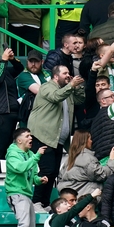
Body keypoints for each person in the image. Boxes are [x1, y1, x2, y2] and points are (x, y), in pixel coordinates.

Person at [28, 66, 86, 207]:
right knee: (46, 170)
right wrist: (71, 85)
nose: (68, 75)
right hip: (43, 136)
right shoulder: (47, 87)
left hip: (57, 140)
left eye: (68, 73)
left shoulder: (67, 90)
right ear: (55, 76)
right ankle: (36, 202)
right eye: (64, 73)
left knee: (53, 172)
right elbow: (55, 97)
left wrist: (76, 87)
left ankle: (45, 203)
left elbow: (80, 100)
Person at [4, 127, 48, 227]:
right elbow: (19, 168)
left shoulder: (30, 154)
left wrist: (39, 180)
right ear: (19, 140)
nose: (31, 138)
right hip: (16, 193)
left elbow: (33, 176)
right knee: (24, 223)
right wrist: (37, 156)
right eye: (28, 136)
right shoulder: (12, 153)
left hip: (27, 195)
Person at [57, 130, 114, 197]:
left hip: (68, 198)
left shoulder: (69, 158)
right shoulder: (88, 158)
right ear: (85, 141)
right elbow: (102, 175)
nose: (91, 141)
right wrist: (111, 160)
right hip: (84, 198)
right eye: (90, 139)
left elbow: (60, 178)